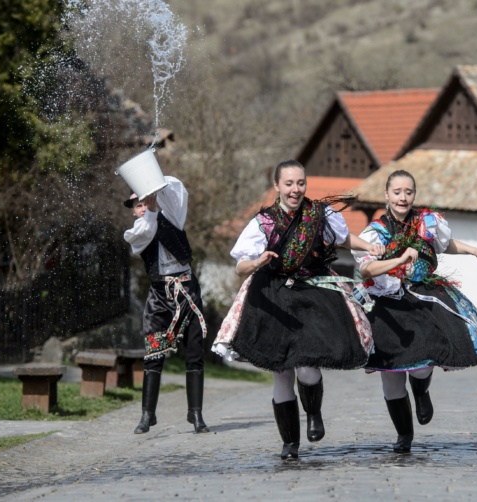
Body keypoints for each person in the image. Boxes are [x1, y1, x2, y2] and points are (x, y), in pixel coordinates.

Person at [211, 159, 384, 460]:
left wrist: (368, 247)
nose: (295, 189)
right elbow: (241, 266)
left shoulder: (320, 213)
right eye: (289, 184)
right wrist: (257, 263)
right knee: (281, 371)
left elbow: (342, 238)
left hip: (312, 290)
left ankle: (314, 412)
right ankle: (289, 443)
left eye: (300, 183)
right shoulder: (263, 222)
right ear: (277, 186)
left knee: (307, 365)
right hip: (273, 293)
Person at [352, 169, 477, 453]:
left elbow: (444, 244)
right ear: (386, 195)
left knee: (423, 361)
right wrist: (399, 260)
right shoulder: (375, 232)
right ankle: (404, 436)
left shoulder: (427, 222)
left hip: (424, 296)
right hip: (387, 302)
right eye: (397, 192)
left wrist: (472, 250)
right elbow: (366, 268)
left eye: (408, 192)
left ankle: (421, 390)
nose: (403, 197)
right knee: (391, 376)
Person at [123, 176, 210, 435]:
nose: (141, 206)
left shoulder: (172, 216)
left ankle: (195, 413)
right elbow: (147, 231)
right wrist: (150, 210)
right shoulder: (135, 232)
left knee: (195, 354)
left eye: (144, 201)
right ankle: (147, 415)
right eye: (136, 204)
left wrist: (153, 181)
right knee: (153, 356)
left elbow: (177, 190)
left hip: (187, 293)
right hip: (160, 298)